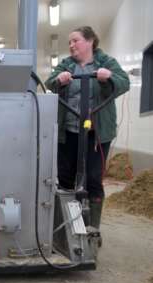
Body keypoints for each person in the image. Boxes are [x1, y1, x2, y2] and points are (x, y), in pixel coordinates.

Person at [45, 26, 130, 231]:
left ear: (90, 41)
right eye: (69, 42)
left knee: (93, 179)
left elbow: (124, 82)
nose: (71, 45)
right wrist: (59, 80)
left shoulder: (106, 62)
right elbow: (50, 82)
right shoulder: (66, 64)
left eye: (75, 40)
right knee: (65, 178)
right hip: (69, 132)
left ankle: (92, 229)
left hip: (97, 133)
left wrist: (108, 76)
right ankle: (66, 228)